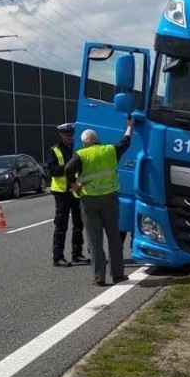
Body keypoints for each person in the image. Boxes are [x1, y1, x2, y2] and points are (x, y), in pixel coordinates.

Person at [65, 119, 134, 287]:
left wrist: (73, 185)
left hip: (89, 201)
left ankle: (99, 277)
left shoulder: (81, 154)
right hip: (109, 199)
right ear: (97, 139)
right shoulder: (110, 150)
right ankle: (118, 275)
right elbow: (126, 142)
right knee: (114, 239)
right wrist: (130, 126)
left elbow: (68, 169)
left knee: (95, 241)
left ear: (84, 142)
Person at [46, 122, 87, 268]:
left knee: (78, 224)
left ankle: (77, 254)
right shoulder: (55, 150)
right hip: (62, 192)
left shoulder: (78, 149)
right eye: (67, 136)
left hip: (76, 190)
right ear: (61, 135)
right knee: (61, 225)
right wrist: (69, 166)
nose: (69, 138)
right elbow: (52, 171)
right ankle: (58, 257)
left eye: (71, 136)